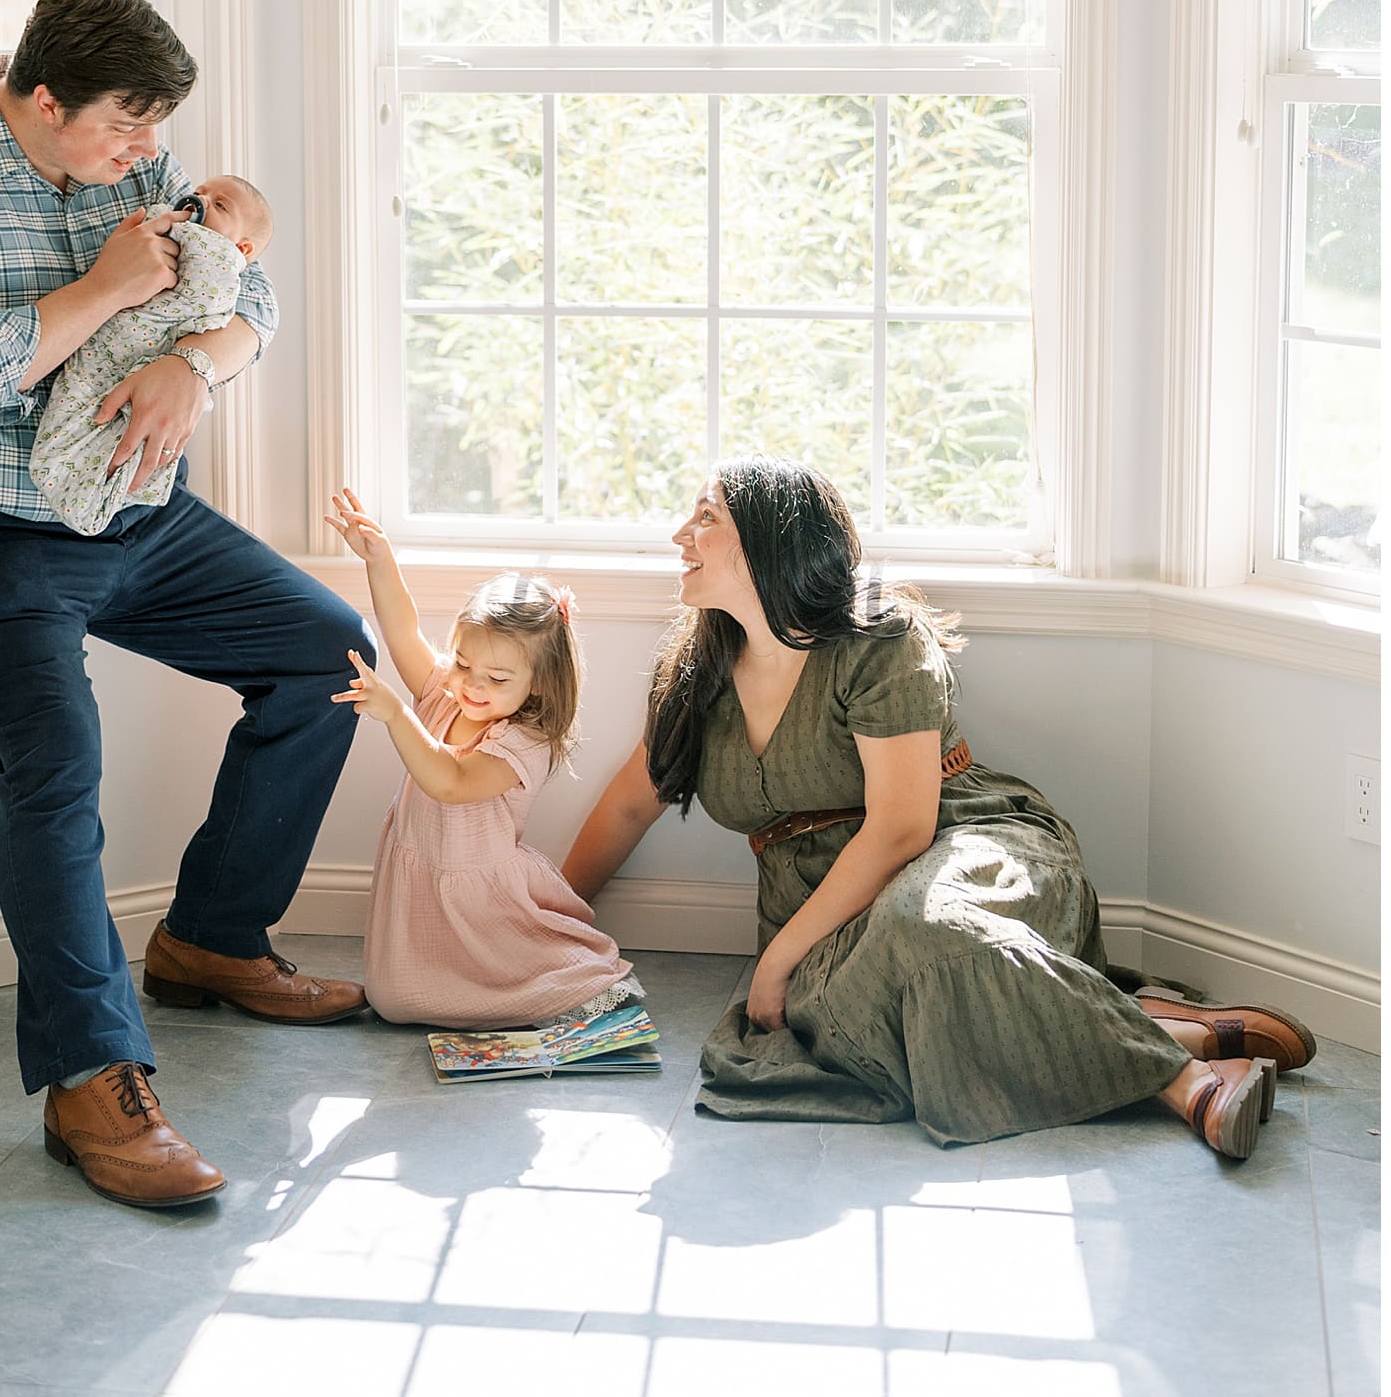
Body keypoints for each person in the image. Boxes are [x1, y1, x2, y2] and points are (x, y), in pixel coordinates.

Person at [0, 0, 375, 1212]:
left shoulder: (129, 161)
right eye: (126, 130)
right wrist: (110, 291)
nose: (149, 155)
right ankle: (92, 1077)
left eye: (152, 132)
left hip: (132, 509)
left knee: (324, 651)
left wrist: (197, 360)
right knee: (55, 750)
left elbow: (252, 298)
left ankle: (209, 940)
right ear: (40, 99)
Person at [560, 458, 1316, 1161]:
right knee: (843, 1015)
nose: (678, 536)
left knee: (925, 929)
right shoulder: (696, 675)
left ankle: (1184, 1084)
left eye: (704, 517)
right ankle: (1171, 1030)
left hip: (968, 843)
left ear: (770, 537)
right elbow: (630, 807)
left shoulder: (879, 640)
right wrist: (550, 930)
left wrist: (781, 956)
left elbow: (901, 828)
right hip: (820, 904)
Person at [326, 487, 641, 1029]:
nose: (472, 685)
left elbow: (449, 780)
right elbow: (402, 630)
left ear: (539, 683)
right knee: (393, 1000)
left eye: (496, 678)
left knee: (556, 978)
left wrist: (396, 714)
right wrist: (381, 560)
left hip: (480, 899)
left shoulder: (524, 741)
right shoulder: (445, 693)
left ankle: (572, 989)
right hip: (422, 885)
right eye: (464, 662)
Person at [29, 173, 276, 534]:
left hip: (150, 355)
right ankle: (72, 479)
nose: (200, 199)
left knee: (124, 430)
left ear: (242, 250)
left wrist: (191, 364)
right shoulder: (171, 212)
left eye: (220, 205)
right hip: (110, 347)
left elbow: (256, 302)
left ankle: (99, 495)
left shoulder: (220, 257)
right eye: (202, 191)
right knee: (81, 407)